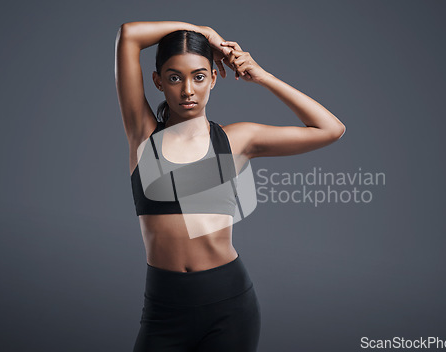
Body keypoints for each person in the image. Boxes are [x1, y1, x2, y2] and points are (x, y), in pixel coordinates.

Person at [114, 20, 346, 352]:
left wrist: (262, 76)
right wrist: (205, 31)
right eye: (174, 77)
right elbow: (129, 34)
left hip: (229, 306)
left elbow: (330, 129)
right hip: (163, 311)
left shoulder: (236, 140)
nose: (188, 90)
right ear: (158, 81)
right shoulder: (142, 135)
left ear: (213, 78)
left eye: (198, 76)